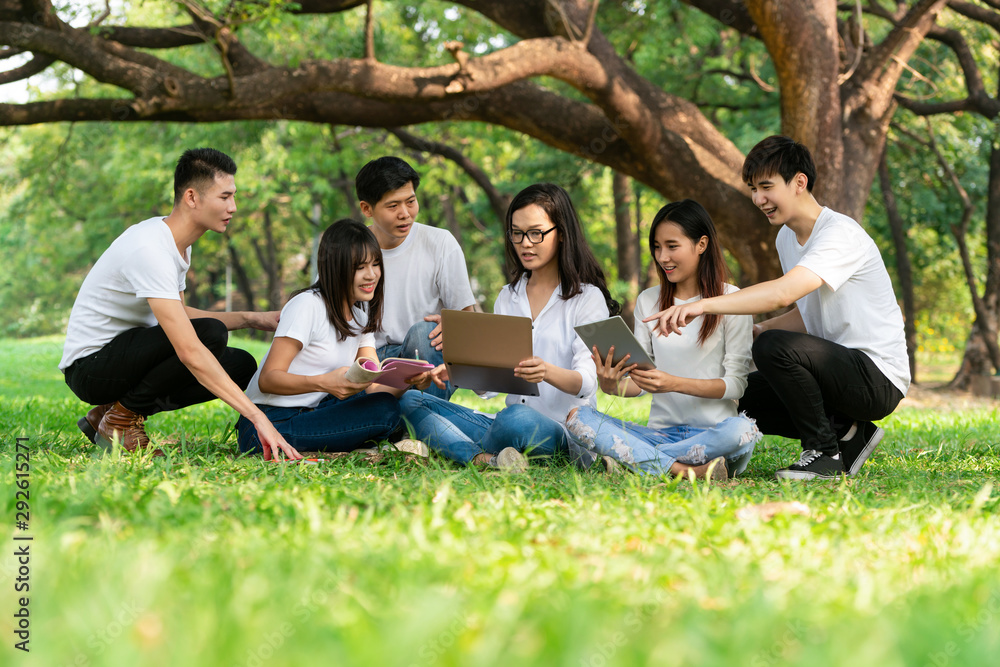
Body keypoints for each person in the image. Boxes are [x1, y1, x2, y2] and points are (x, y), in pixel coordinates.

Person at [647, 136, 909, 480]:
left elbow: (783, 294)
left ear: (799, 182)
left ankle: (824, 454)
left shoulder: (840, 234)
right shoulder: (787, 238)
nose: (758, 199)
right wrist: (761, 330)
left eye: (766, 187)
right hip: (834, 370)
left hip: (877, 377)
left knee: (773, 348)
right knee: (740, 396)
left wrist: (703, 306)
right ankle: (848, 433)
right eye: (754, 189)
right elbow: (806, 310)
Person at [59, 148, 301, 461]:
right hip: (90, 368)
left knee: (240, 365)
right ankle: (121, 420)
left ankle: (109, 413)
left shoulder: (179, 244)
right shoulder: (151, 248)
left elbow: (179, 314)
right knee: (209, 335)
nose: (234, 207)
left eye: (233, 196)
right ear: (191, 197)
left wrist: (252, 318)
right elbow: (188, 346)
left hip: (123, 356)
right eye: (225, 197)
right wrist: (258, 417)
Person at [399, 183, 619, 471]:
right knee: (412, 401)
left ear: (562, 233)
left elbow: (587, 383)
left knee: (516, 419)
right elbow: (493, 386)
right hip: (505, 424)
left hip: (558, 431)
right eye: (517, 233)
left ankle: (460, 446)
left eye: (536, 233)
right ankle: (488, 459)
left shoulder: (586, 298)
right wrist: (458, 372)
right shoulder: (508, 296)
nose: (525, 243)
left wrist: (546, 371)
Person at [566, 200, 761, 479]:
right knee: (579, 418)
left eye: (672, 246)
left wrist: (674, 383)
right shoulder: (649, 300)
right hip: (660, 433)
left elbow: (735, 386)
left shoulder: (732, 300)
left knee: (742, 431)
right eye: (657, 247)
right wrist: (611, 385)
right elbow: (640, 384)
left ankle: (638, 458)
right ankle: (684, 469)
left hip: (715, 435)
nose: (662, 257)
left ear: (702, 244)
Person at [236, 219, 431, 456]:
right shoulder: (307, 305)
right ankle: (359, 443)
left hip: (315, 411)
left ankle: (355, 443)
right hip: (268, 423)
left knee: (386, 406)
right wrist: (324, 382)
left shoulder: (360, 316)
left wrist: (408, 379)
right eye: (360, 267)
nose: (372, 275)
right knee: (386, 413)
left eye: (376, 264)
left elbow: (372, 389)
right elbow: (268, 379)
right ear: (336, 267)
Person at [355, 156, 477, 400]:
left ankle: (424, 417)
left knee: (425, 333)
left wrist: (453, 325)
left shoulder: (440, 243)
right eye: (393, 206)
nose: (405, 214)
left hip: (425, 355)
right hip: (371, 358)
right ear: (367, 209)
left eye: (410, 201)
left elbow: (468, 320)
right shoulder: (351, 251)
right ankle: (408, 422)